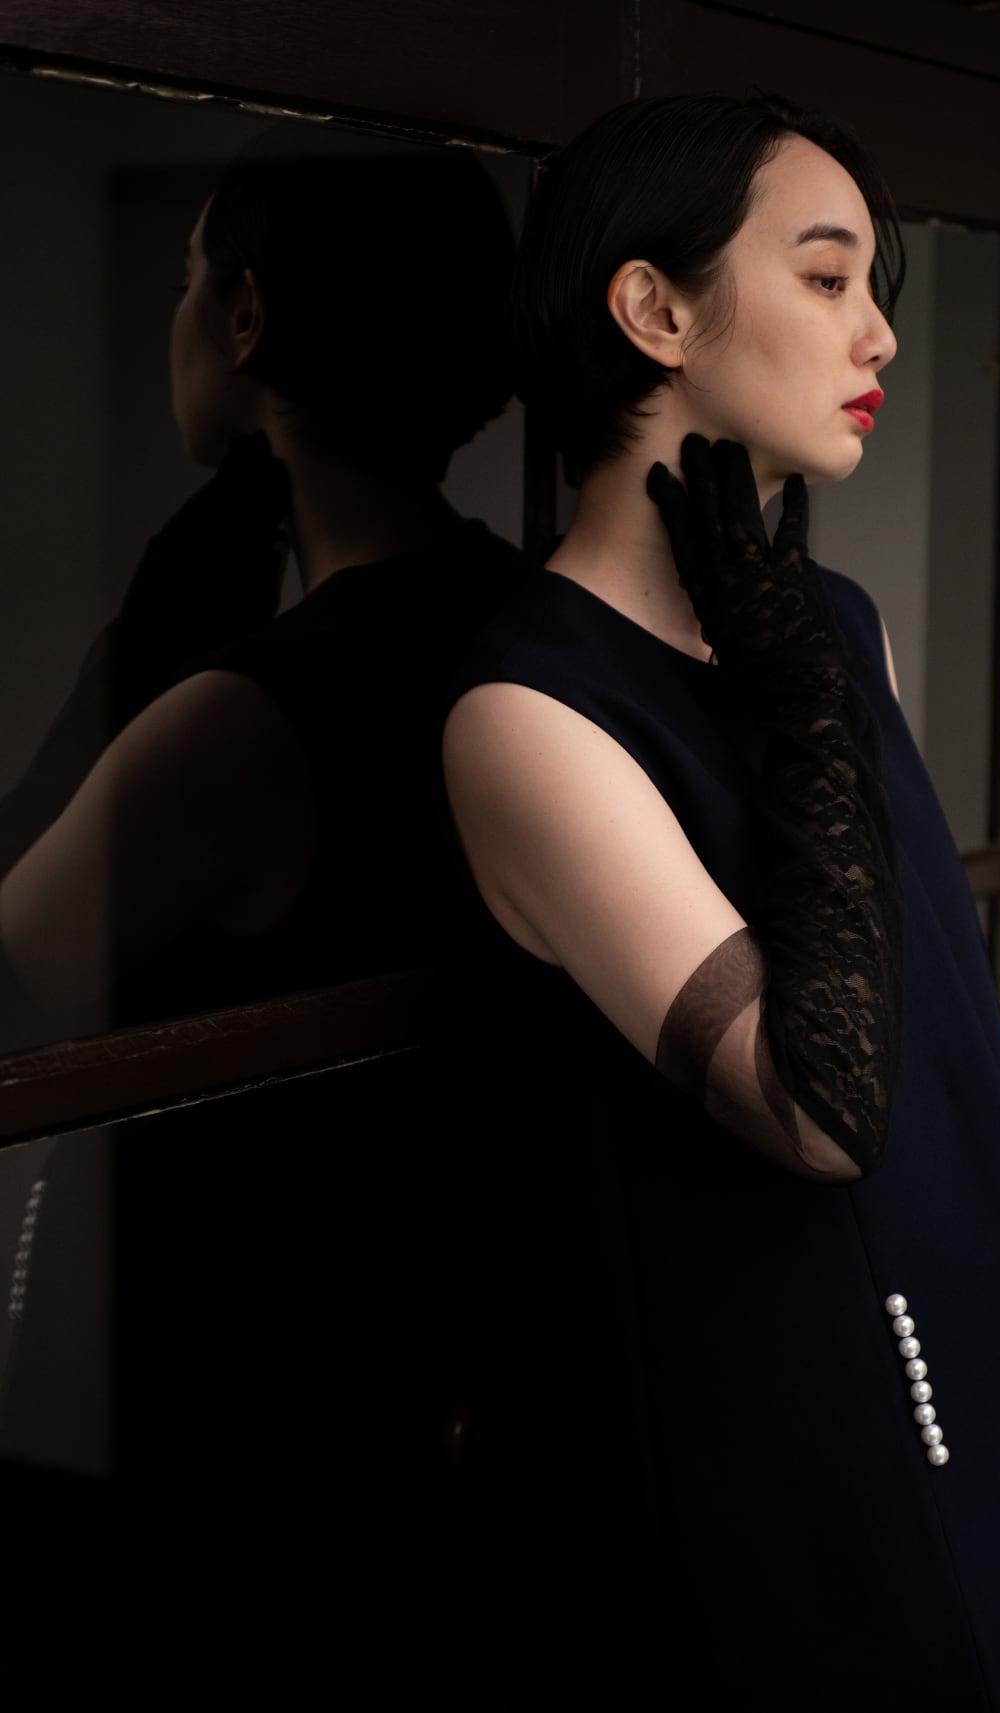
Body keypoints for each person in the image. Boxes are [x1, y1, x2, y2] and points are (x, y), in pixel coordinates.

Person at [440, 91, 1000, 1709]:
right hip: (789, 1451)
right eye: (826, 279)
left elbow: (903, 975)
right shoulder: (524, 713)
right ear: (654, 309)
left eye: (868, 286)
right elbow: (816, 1108)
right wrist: (812, 714)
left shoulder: (830, 621)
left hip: (988, 1378)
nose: (877, 332)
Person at [0, 127, 526, 1696]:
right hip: (453, 1371)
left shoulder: (242, 715)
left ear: (243, 319)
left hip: (232, 1420)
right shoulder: (533, 624)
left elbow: (6, 984)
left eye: (188, 280)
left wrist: (141, 656)